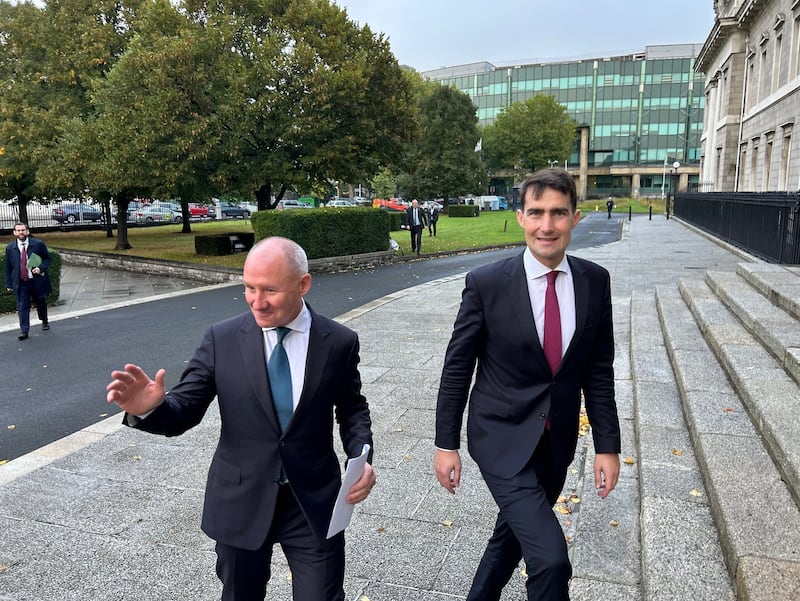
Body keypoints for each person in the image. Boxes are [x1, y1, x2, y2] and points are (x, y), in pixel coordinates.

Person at [106, 236, 376, 601]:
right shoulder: (222, 339)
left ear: (303, 284)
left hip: (312, 503)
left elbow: (352, 408)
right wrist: (149, 409)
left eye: (270, 290)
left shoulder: (339, 341)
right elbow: (185, 410)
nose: (257, 302)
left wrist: (361, 457)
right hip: (241, 500)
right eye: (249, 287)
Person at [434, 168, 620, 601]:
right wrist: (446, 443)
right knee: (551, 558)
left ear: (576, 217)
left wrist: (607, 446)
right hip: (500, 438)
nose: (546, 225)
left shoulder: (595, 282)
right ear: (520, 217)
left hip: (556, 443)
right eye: (536, 212)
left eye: (558, 213)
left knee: (512, 538)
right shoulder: (486, 284)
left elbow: (598, 370)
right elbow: (457, 367)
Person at [4, 222, 52, 340]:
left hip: (36, 281)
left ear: (27, 231)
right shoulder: (10, 248)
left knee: (40, 302)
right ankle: (24, 330)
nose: (21, 232)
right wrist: (8, 283)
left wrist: (40, 268)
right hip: (21, 282)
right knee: (22, 306)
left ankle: (44, 320)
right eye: (18, 230)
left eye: (23, 230)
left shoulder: (38, 244)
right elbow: (8, 267)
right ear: (14, 233)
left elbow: (47, 259)